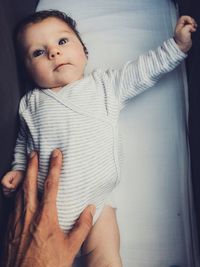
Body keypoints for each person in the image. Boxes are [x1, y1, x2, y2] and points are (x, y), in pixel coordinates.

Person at [1, 10, 197, 266]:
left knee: (105, 258)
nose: (53, 53)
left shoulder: (104, 87)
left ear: (85, 51)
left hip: (95, 206)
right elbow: (24, 142)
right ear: (27, 71)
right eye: (38, 52)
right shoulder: (30, 103)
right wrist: (17, 169)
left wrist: (177, 46)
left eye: (62, 42)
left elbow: (143, 71)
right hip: (42, 208)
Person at [2, 148, 95, 267]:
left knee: (106, 256)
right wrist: (19, 168)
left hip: (92, 203)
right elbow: (26, 138)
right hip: (39, 208)